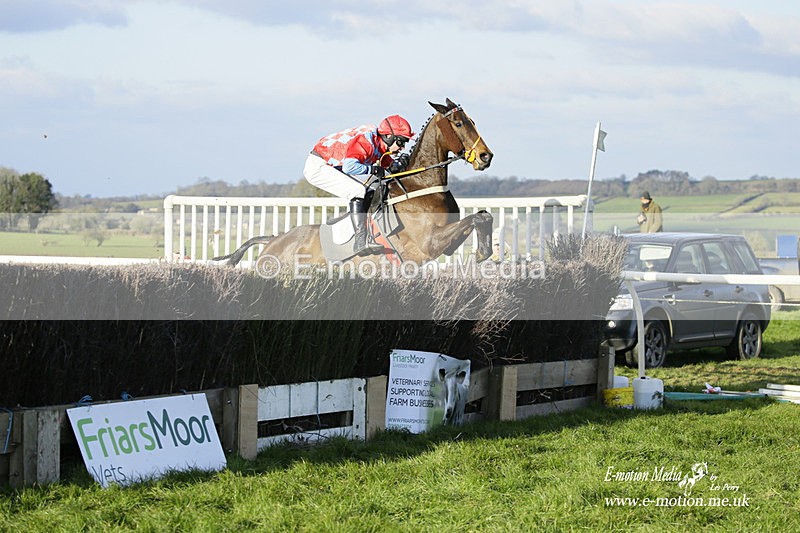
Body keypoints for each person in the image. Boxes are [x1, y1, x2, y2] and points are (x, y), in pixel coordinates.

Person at [304, 115, 414, 255]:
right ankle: (360, 241)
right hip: (318, 166)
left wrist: (397, 165)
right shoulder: (367, 142)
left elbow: (388, 168)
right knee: (358, 191)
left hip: (329, 165)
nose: (402, 147)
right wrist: (373, 169)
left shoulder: (379, 143)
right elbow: (349, 167)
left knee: (370, 188)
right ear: (388, 136)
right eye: (401, 142)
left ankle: (363, 231)